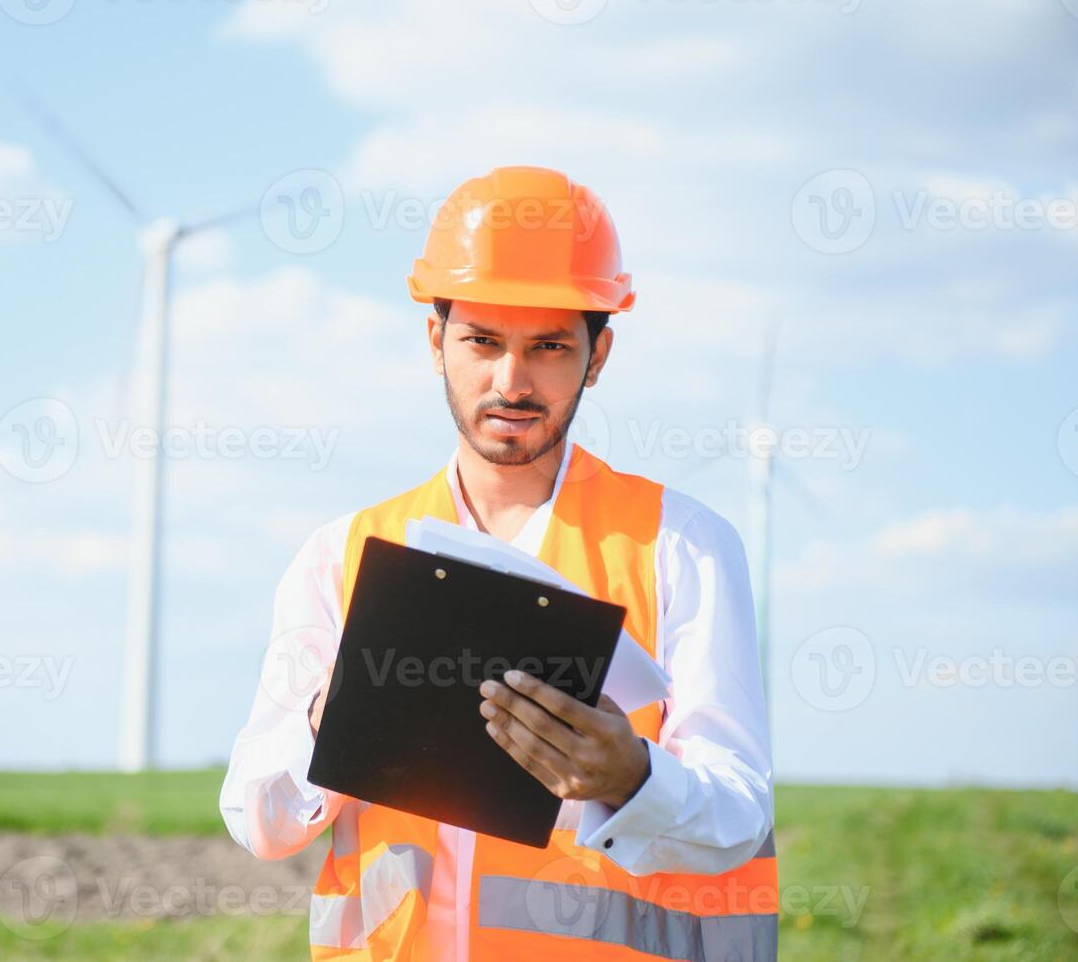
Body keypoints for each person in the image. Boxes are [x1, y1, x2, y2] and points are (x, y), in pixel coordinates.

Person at [221, 166, 778, 960]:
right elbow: (258, 821)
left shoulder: (679, 545)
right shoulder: (339, 557)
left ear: (597, 356)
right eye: (481, 341)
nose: (510, 381)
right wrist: (327, 716)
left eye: (548, 347)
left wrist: (631, 776)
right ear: (435, 341)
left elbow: (737, 815)